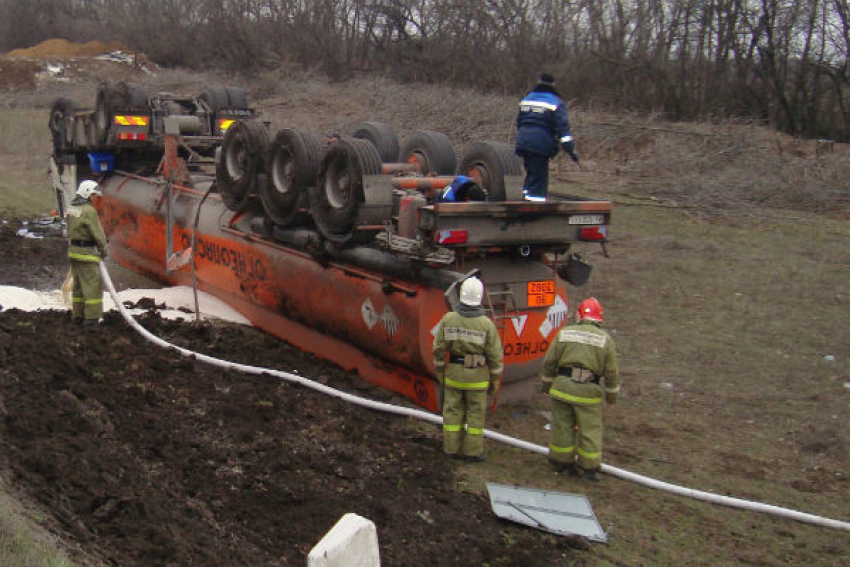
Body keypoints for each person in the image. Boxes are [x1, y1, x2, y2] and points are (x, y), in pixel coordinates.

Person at [540, 297, 620, 481]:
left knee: (562, 426)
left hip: (562, 389)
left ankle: (560, 463)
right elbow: (611, 372)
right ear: (599, 318)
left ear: (579, 315)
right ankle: (588, 468)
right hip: (588, 393)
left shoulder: (565, 333)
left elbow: (549, 362)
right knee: (589, 430)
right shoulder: (605, 340)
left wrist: (546, 386)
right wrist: (611, 397)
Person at [432, 277, 503, 462]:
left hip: (454, 374)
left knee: (452, 413)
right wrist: (495, 382)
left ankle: (450, 450)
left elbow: (438, 348)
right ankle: (472, 453)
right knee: (475, 415)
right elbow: (495, 356)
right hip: (478, 378)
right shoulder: (486, 324)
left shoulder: (449, 319)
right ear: (479, 298)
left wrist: (441, 372)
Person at [515, 73, 579, 202]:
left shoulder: (527, 98)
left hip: (523, 141)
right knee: (539, 180)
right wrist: (571, 151)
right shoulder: (556, 102)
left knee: (531, 173)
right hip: (540, 144)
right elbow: (563, 130)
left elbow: (519, 122)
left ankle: (525, 199)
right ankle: (535, 211)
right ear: (553, 85)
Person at [67, 179, 108, 326]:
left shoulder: (72, 207)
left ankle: (78, 315)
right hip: (87, 254)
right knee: (93, 286)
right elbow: (98, 233)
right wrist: (104, 250)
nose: (96, 198)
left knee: (78, 286)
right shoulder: (89, 210)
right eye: (94, 195)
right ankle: (91, 319)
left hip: (74, 252)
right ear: (87, 193)